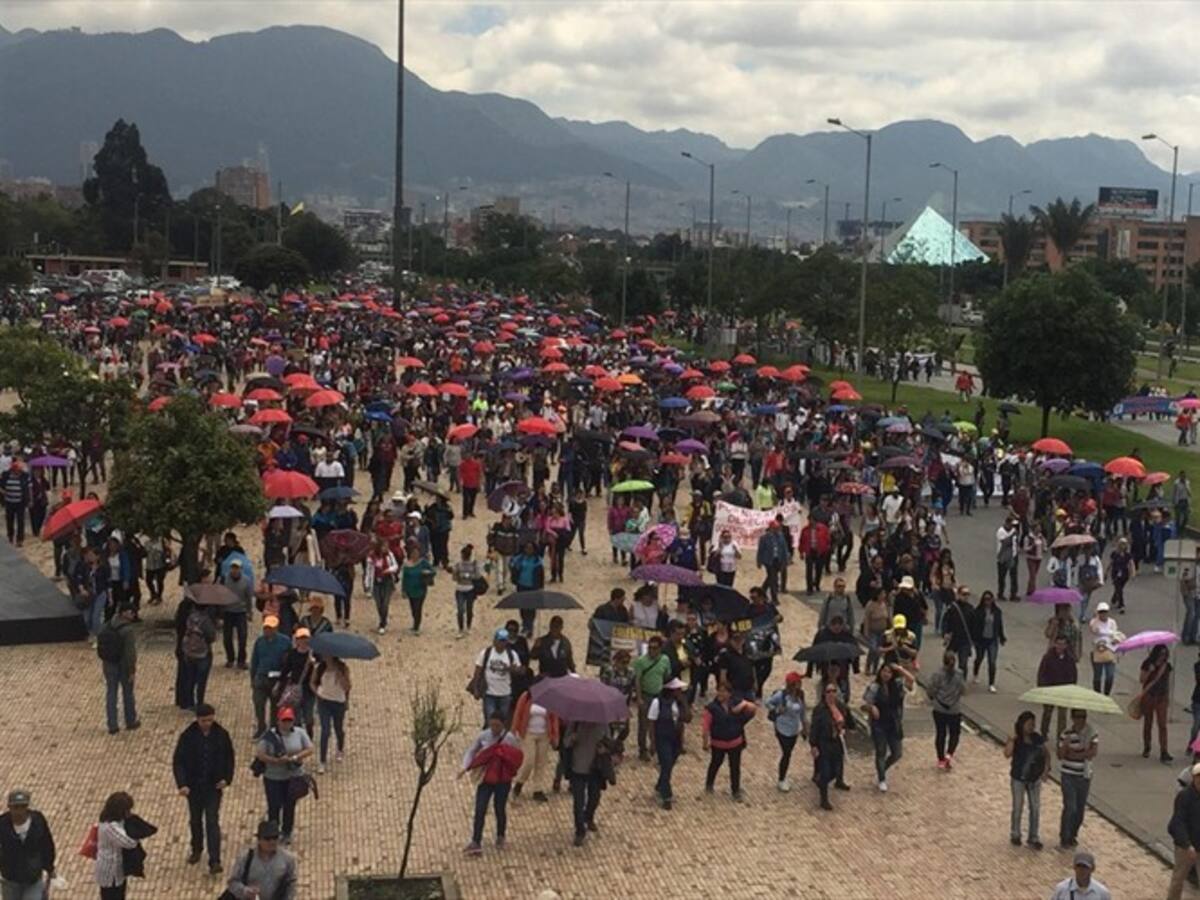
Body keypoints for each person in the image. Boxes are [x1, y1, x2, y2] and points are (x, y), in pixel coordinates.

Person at [172, 702, 234, 875]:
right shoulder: (187, 736)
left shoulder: (221, 735)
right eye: (204, 720)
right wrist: (182, 783)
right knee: (195, 820)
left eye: (210, 720)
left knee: (212, 821)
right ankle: (197, 848)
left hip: (213, 787)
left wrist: (226, 779)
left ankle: (215, 860)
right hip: (194, 787)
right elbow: (179, 761)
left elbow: (230, 757)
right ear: (198, 719)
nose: (207, 723)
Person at [459, 710, 523, 855]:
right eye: (492, 725)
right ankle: (476, 840)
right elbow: (472, 750)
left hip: (502, 780)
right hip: (486, 778)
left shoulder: (510, 738)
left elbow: (517, 756)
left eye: (497, 726)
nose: (494, 729)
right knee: (480, 808)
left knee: (499, 808)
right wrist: (465, 766)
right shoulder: (483, 736)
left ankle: (500, 836)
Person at [255, 706, 313, 846]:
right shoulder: (269, 736)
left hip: (292, 777)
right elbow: (261, 754)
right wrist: (275, 761)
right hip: (273, 777)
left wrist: (296, 757)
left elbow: (309, 748)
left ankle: (287, 832)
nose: (287, 723)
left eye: (289, 720)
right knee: (274, 806)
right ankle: (273, 832)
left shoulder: (300, 733)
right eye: (284, 720)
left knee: (289, 806)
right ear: (278, 721)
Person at [863, 662, 914, 792]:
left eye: (889, 672)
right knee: (881, 752)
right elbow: (864, 705)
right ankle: (881, 778)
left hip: (894, 724)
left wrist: (900, 669)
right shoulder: (874, 687)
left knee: (897, 753)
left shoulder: (897, 686)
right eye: (884, 671)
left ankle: (882, 768)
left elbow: (911, 680)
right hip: (879, 724)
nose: (886, 674)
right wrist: (872, 707)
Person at [702, 681, 756, 801]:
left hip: (735, 742)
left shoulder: (735, 703)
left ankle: (735, 790)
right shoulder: (712, 708)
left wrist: (742, 704)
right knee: (715, 763)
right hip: (718, 743)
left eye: (724, 691)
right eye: (719, 690)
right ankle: (709, 783)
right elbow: (706, 726)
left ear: (729, 693)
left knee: (735, 767)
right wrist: (705, 742)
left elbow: (753, 709)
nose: (721, 693)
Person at [0, 789, 56, 900]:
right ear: (9, 807)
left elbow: (47, 844)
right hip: (10, 879)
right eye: (16, 807)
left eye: (23, 807)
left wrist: (49, 867)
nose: (19, 811)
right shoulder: (2, 824)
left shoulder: (38, 821)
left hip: (32, 878)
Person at [1005, 710, 1048, 850]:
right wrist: (1011, 740)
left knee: (1035, 808)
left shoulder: (1037, 738)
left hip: (1034, 778)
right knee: (1018, 807)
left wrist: (1046, 770)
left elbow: (1045, 754)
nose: (1032, 727)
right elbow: (1007, 754)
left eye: (1033, 724)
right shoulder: (1016, 739)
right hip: (1018, 778)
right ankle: (1015, 834)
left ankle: (1033, 836)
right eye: (1029, 724)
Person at [1057, 708, 1098, 850]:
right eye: (1078, 717)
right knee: (1070, 807)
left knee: (1080, 810)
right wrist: (1066, 745)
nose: (1081, 720)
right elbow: (1061, 755)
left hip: (1084, 776)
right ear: (1073, 718)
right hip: (1068, 774)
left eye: (1083, 717)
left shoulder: (1091, 733)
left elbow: (1093, 752)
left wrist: (1074, 755)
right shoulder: (1066, 734)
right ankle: (1064, 836)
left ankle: (1073, 834)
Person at [224, 820, 297, 900]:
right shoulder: (245, 858)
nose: (272, 842)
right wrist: (245, 891)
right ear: (259, 840)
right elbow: (232, 882)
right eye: (267, 839)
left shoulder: (288, 859)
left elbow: (291, 884)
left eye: (275, 837)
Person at [512, 682, 560, 802]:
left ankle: (537, 789)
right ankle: (519, 782)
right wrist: (514, 731)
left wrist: (555, 735)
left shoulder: (550, 700)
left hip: (544, 734)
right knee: (529, 761)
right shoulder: (526, 697)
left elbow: (554, 718)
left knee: (541, 762)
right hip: (528, 733)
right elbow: (518, 713)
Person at [563, 720, 608, 846]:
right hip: (578, 768)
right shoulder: (575, 722)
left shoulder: (602, 723)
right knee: (578, 802)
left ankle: (588, 816)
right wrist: (572, 739)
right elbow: (565, 742)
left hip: (595, 768)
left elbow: (609, 742)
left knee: (594, 797)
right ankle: (579, 831)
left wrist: (603, 749)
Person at [96, 602, 139, 735]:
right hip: (123, 665)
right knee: (127, 693)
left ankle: (112, 724)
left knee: (111, 693)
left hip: (108, 663)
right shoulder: (128, 630)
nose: (133, 615)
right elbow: (130, 653)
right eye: (132, 612)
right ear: (125, 613)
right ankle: (130, 720)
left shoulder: (106, 625)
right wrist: (132, 670)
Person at [647, 677, 688, 808]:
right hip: (662, 737)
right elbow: (652, 723)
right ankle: (666, 796)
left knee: (669, 765)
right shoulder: (657, 702)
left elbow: (687, 719)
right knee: (666, 763)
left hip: (675, 738)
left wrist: (684, 704)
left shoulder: (679, 703)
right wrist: (652, 742)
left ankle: (661, 784)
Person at [809, 681, 850, 810]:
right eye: (828, 691)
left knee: (835, 770)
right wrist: (813, 745)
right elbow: (814, 728)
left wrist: (843, 726)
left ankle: (821, 781)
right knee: (826, 771)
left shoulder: (841, 706)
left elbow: (850, 722)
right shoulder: (820, 710)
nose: (831, 694)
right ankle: (824, 798)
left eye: (834, 691)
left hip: (837, 743)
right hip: (824, 743)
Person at [250, 615, 291, 739]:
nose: (267, 630)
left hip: (276, 679)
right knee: (258, 704)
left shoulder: (285, 641)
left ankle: (274, 728)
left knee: (275, 707)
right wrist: (253, 678)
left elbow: (288, 662)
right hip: (261, 678)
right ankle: (261, 726)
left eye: (270, 628)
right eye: (266, 628)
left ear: (276, 628)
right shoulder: (260, 641)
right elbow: (254, 660)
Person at [471, 629, 524, 726]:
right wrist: (476, 688)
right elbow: (478, 671)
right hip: (489, 693)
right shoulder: (486, 653)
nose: (502, 643)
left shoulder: (512, 655)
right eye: (500, 640)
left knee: (503, 721)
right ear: (494, 641)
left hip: (505, 693)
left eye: (504, 641)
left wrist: (513, 670)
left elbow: (520, 670)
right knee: (490, 719)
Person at [632, 634, 673, 762]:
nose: (652, 651)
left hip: (659, 695)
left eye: (655, 648)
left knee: (658, 723)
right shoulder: (641, 662)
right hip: (646, 694)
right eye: (650, 648)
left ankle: (655, 746)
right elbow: (637, 680)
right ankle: (642, 749)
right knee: (643, 724)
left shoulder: (665, 660)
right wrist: (639, 698)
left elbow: (667, 676)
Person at [764, 671, 807, 792]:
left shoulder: (800, 695)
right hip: (781, 728)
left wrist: (805, 727)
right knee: (786, 753)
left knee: (788, 753)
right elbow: (767, 702)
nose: (800, 684)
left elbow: (803, 712)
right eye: (797, 682)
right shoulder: (781, 695)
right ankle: (781, 779)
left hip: (794, 729)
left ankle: (783, 776)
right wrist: (777, 709)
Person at [93, 792, 139, 900]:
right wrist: (137, 834)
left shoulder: (108, 819)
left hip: (116, 869)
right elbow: (129, 843)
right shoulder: (111, 827)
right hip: (110, 871)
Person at [310, 655, 351, 775]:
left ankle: (340, 748)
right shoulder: (319, 668)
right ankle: (322, 761)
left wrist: (341, 677)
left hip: (338, 703)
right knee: (325, 730)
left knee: (338, 728)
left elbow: (347, 687)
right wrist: (318, 692)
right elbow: (312, 683)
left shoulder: (343, 668)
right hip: (324, 703)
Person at [926, 650, 966, 770]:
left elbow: (931, 690)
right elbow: (963, 690)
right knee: (955, 733)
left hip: (939, 708)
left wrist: (933, 698)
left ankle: (940, 759)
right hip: (954, 709)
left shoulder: (937, 674)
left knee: (941, 734)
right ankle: (949, 754)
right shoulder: (959, 674)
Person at [1168, 763, 1200, 900]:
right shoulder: (1185, 796)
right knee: (1178, 879)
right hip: (1185, 846)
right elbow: (1178, 822)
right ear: (1194, 778)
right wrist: (1187, 845)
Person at [1037, 635, 1078, 740]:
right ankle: (1044, 732)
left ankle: (1060, 736)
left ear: (1066, 645)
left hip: (1063, 690)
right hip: (1050, 689)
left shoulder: (1069, 659)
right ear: (1055, 644)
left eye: (1063, 644)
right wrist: (1042, 688)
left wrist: (1071, 688)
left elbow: (1073, 674)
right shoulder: (1048, 657)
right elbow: (1042, 673)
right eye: (1059, 644)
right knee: (1047, 713)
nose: (1060, 646)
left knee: (1062, 716)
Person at [1140, 643, 1174, 763]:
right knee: (1148, 722)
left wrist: (1168, 697)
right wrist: (1150, 671)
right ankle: (1147, 746)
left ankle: (1164, 751)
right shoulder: (1147, 663)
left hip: (1162, 697)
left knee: (1162, 725)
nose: (1162, 656)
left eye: (1165, 654)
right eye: (1161, 654)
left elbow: (1167, 683)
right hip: (1149, 696)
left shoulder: (1167, 666)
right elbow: (1141, 679)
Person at [220, 558, 254, 668]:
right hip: (228, 611)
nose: (234, 570)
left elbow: (249, 597)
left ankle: (241, 660)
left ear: (240, 569)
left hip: (241, 612)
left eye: (237, 568)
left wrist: (249, 611)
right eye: (233, 568)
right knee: (227, 638)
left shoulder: (246, 581)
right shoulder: (224, 579)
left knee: (242, 637)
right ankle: (230, 658)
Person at [970, 589, 1005, 692]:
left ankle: (991, 683)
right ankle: (975, 673)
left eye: (989, 599)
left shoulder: (997, 612)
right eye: (985, 599)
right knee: (979, 658)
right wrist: (974, 639)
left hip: (992, 640)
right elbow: (974, 626)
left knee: (992, 661)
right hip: (981, 640)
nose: (987, 602)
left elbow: (999, 625)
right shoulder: (978, 611)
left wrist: (1002, 637)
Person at [363, 536, 399, 634]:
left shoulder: (389, 555)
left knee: (385, 603)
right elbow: (369, 571)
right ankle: (382, 617)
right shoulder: (371, 557)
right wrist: (367, 583)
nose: (386, 549)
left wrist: (388, 570)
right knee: (379, 603)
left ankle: (383, 623)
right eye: (384, 547)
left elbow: (395, 566)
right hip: (376, 582)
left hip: (387, 581)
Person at [399, 545, 435, 634]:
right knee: (413, 608)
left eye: (417, 553)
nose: (415, 555)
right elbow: (405, 579)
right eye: (413, 553)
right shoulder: (407, 565)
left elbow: (433, 571)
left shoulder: (423, 563)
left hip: (421, 589)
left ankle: (416, 626)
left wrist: (427, 572)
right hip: (411, 590)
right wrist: (403, 590)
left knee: (418, 608)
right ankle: (415, 623)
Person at [941, 585, 975, 678]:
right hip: (953, 639)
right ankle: (947, 679)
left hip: (965, 640)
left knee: (963, 664)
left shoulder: (971, 609)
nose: (966, 596)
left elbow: (974, 625)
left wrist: (974, 639)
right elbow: (945, 621)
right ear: (959, 595)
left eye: (968, 594)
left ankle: (961, 683)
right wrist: (945, 634)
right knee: (948, 661)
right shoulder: (952, 608)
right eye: (964, 594)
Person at [1088, 602, 1120, 696]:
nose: (1103, 614)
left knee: (1110, 676)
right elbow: (1094, 629)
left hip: (1110, 650)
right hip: (1098, 650)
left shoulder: (1112, 622)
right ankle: (1097, 694)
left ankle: (1106, 694)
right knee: (1097, 676)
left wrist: (1115, 639)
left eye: (1105, 611)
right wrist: (1095, 618)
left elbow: (1116, 633)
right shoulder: (1095, 622)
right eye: (1101, 612)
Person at [451, 544, 485, 636]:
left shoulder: (474, 564)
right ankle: (461, 628)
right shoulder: (458, 565)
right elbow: (454, 578)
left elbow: (478, 576)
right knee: (460, 610)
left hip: (470, 589)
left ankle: (468, 626)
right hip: (460, 589)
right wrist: (456, 574)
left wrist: (467, 576)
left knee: (469, 609)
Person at [755, 519, 789, 604]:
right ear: (770, 528)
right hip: (768, 561)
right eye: (775, 528)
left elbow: (784, 548)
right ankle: (774, 598)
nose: (777, 530)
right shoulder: (764, 538)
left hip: (778, 560)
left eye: (778, 528)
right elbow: (760, 550)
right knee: (774, 579)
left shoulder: (781, 536)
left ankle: (762, 590)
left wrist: (786, 560)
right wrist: (759, 561)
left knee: (771, 577)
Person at [797, 515, 831, 595]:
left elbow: (827, 539)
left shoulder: (823, 529)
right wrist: (801, 552)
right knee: (809, 570)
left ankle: (817, 584)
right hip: (809, 551)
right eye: (809, 520)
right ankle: (809, 588)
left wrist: (826, 549)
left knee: (819, 569)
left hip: (820, 552)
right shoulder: (805, 530)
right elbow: (801, 541)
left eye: (812, 520)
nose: (810, 522)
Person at [996, 515, 1020, 602]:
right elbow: (1004, 542)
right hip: (1003, 556)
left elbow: (1015, 541)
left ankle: (1013, 594)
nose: (1013, 527)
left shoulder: (1014, 530)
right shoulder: (1001, 531)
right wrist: (1012, 535)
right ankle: (1000, 593)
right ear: (1007, 523)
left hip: (1013, 555)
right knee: (1002, 576)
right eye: (1011, 524)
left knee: (1014, 576)